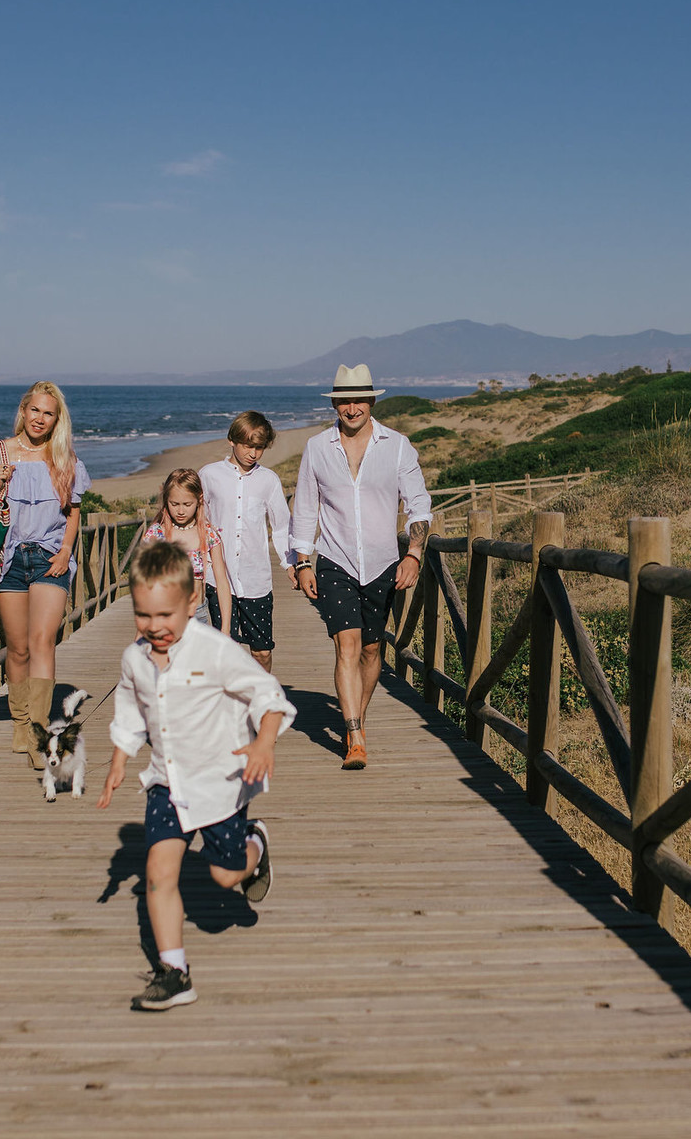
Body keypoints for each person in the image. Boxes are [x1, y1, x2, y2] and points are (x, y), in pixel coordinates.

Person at [96, 541, 293, 1011]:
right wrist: (120, 757)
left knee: (226, 877)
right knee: (159, 874)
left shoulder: (215, 650)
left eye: (165, 615)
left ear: (190, 603)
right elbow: (130, 706)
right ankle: (174, 971)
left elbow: (267, 693)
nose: (154, 627)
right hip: (167, 782)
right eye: (143, 615)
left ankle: (256, 845)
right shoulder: (134, 659)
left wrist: (265, 741)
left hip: (220, 783)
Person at [288, 363, 432, 771]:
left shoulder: (397, 445)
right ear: (335, 403)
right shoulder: (318, 447)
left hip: (384, 562)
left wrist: (414, 554)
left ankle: (358, 717)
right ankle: (353, 737)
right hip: (335, 560)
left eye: (359, 400)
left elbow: (419, 505)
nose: (352, 408)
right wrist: (301, 561)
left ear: (371, 401)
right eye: (344, 401)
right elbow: (304, 508)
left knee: (372, 649)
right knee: (346, 645)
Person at [0, 381, 92, 768]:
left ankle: (38, 733)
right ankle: (20, 724)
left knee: (42, 640)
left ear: (56, 419)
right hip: (6, 559)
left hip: (49, 555)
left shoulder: (64, 458)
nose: (40, 418)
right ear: (24, 410)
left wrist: (67, 551)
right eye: (35, 410)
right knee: (16, 648)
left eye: (48, 413)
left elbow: (73, 511)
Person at [198, 410, 292, 673]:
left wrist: (292, 564)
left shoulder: (269, 480)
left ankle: (261, 698)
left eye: (259, 447)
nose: (253, 453)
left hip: (255, 580)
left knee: (261, 651)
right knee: (223, 648)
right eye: (248, 445)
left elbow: (282, 526)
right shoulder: (209, 475)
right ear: (232, 440)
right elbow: (197, 520)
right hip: (216, 579)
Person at [142, 469, 233, 634]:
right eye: (174, 504)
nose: (181, 511)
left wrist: (225, 628)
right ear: (166, 500)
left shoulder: (208, 534)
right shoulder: (156, 535)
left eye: (187, 504)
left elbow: (222, 582)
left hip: (198, 615)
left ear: (199, 500)